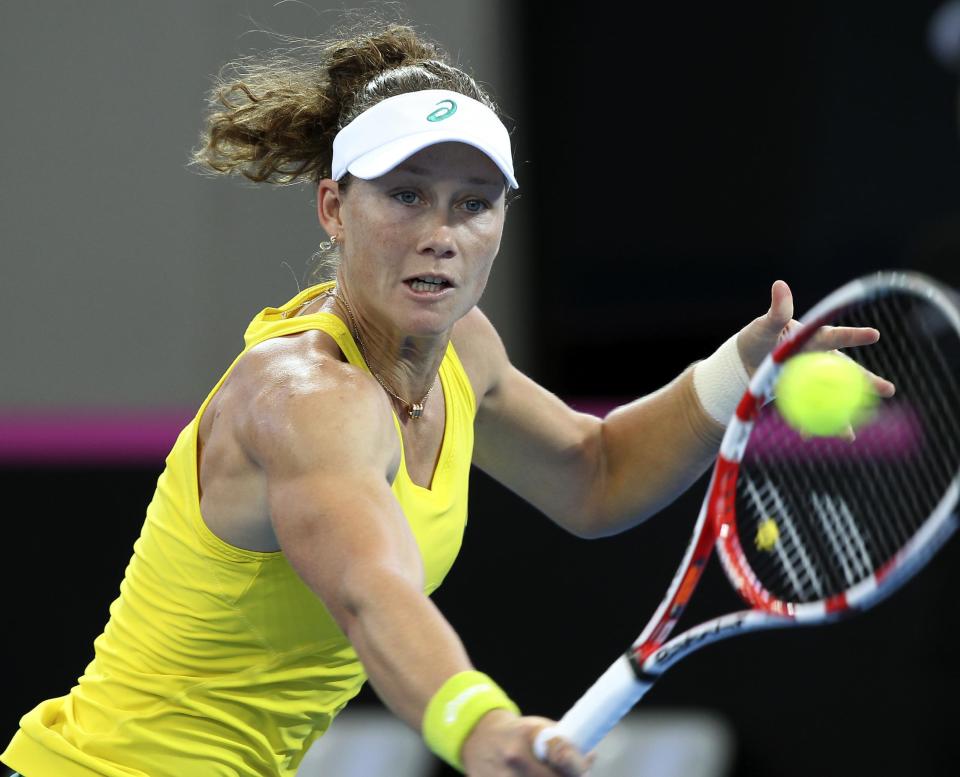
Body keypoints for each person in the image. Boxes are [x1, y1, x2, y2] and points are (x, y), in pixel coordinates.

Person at [0, 19, 890, 777]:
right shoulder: (306, 395)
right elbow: (369, 591)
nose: (440, 235)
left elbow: (596, 472)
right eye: (405, 196)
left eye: (473, 203)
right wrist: (481, 726)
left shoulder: (462, 348)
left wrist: (742, 364)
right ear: (331, 207)